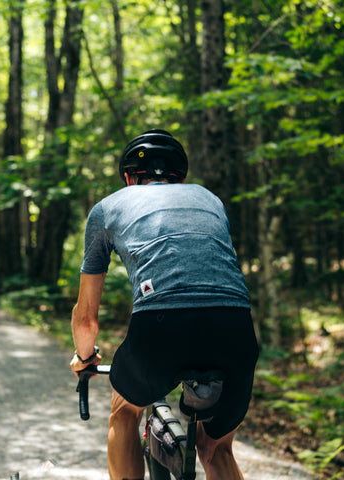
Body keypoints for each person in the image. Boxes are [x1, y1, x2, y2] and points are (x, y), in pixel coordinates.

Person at [70, 130, 259, 480]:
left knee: (125, 410)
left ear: (128, 178)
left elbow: (86, 321)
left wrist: (85, 358)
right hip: (235, 329)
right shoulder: (209, 200)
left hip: (160, 329)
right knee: (216, 449)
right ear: (182, 179)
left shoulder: (107, 208)